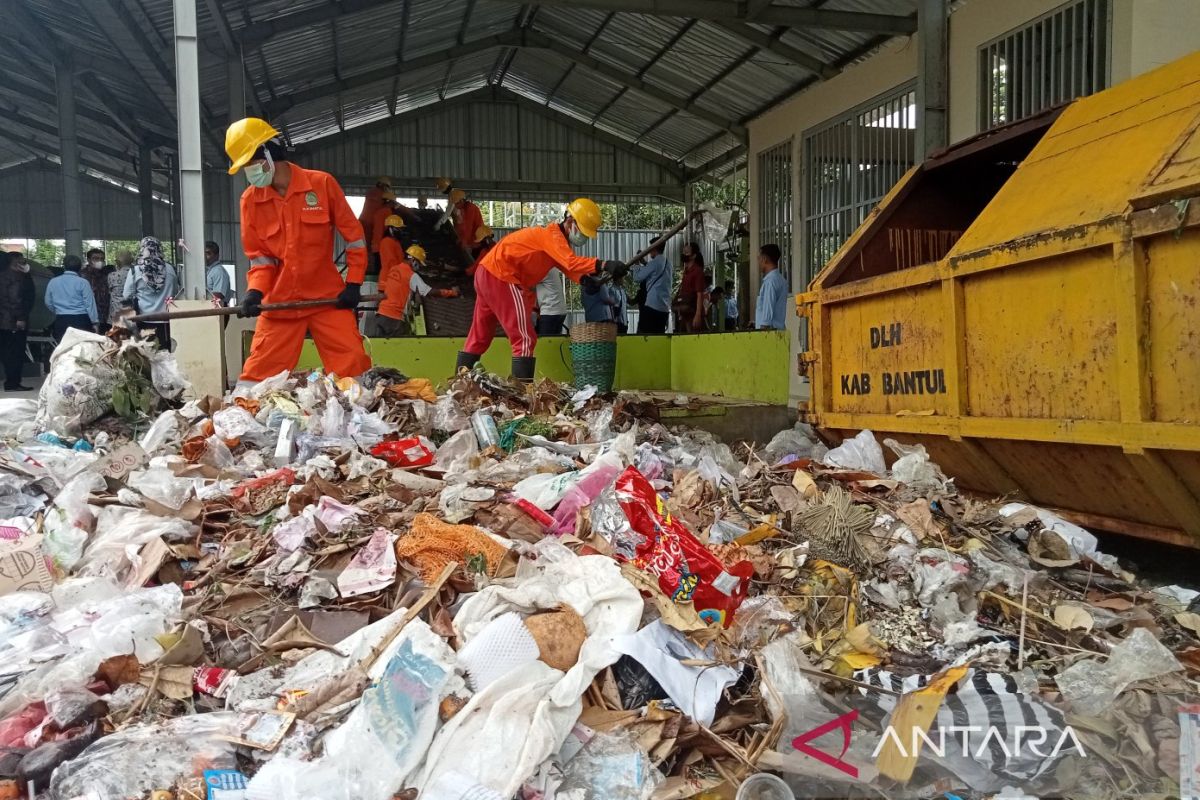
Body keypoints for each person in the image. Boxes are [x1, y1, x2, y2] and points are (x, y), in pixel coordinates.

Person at [225, 117, 371, 384]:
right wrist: (254, 292)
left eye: (250, 162)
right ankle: (240, 421)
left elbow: (355, 239)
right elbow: (259, 257)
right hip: (280, 302)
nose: (249, 171)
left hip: (326, 299)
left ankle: (359, 422)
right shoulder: (250, 201)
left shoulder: (322, 185)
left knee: (353, 370)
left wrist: (354, 284)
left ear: (269, 153)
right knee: (256, 379)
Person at [456, 198, 625, 381]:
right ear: (569, 221)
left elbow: (566, 266)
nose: (583, 237)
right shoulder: (552, 236)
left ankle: (459, 384)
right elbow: (569, 261)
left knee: (479, 335)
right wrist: (605, 264)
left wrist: (584, 279)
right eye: (582, 231)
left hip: (486, 274)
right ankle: (521, 393)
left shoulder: (554, 241)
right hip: (502, 276)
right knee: (525, 338)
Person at [375, 238, 458, 337]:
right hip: (394, 318)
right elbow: (428, 292)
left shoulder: (394, 269)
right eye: (418, 263)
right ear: (413, 259)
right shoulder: (411, 275)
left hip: (381, 314)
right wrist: (452, 292)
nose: (419, 267)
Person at [122, 237, 180, 349]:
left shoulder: (135, 270)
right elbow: (176, 293)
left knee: (146, 354)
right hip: (166, 320)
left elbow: (126, 295)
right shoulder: (170, 269)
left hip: (143, 320)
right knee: (165, 354)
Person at [0, 252, 34, 391]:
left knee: (8, 352)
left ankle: (12, 382)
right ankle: (13, 383)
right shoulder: (14, 278)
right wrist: (20, 318)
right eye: (22, 261)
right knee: (15, 353)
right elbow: (15, 300)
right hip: (13, 321)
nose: (25, 263)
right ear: (15, 263)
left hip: (5, 321)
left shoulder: (3, 276)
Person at [45, 255, 99, 342]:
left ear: (64, 266)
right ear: (80, 267)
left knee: (64, 349)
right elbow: (89, 304)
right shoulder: (83, 282)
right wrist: (94, 322)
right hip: (81, 320)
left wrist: (58, 310)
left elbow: (48, 302)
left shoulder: (53, 281)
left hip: (61, 320)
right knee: (81, 349)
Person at [632, 240, 671, 334]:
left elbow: (637, 278)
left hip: (652, 306)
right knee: (659, 335)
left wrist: (636, 263)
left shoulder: (654, 263)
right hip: (664, 308)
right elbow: (654, 273)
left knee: (646, 334)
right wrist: (644, 263)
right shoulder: (668, 263)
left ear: (654, 248)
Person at [358, 175, 392, 267]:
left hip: (362, 223)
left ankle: (363, 269)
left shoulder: (371, 192)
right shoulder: (383, 206)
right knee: (369, 251)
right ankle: (369, 269)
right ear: (384, 186)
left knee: (363, 249)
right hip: (370, 225)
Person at [673, 242, 706, 333]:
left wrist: (698, 314)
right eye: (683, 252)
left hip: (693, 312)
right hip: (685, 313)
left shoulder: (697, 271)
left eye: (686, 252)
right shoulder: (686, 271)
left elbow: (700, 294)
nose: (683, 254)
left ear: (693, 256)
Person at [755, 243, 789, 331]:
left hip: (769, 333)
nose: (758, 262)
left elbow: (767, 312)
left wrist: (762, 329)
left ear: (764, 259)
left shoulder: (770, 282)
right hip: (778, 330)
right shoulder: (781, 280)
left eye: (759, 258)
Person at [449, 189, 484, 254]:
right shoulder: (463, 209)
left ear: (462, 200)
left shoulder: (470, 208)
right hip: (471, 241)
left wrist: (464, 243)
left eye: (456, 203)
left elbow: (468, 227)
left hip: (476, 242)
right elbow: (461, 225)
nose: (455, 205)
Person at [533, 269, 568, 336]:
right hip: (558, 310)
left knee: (545, 340)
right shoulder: (552, 268)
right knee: (555, 339)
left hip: (550, 310)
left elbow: (526, 281)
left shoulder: (544, 269)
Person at [81, 247, 110, 324]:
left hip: (104, 316)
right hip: (87, 316)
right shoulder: (82, 275)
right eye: (96, 258)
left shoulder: (105, 275)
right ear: (88, 260)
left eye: (102, 259)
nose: (99, 261)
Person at [370, 190, 399, 267]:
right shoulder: (387, 212)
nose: (393, 205)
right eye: (393, 203)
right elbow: (388, 229)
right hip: (382, 246)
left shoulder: (378, 212)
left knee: (378, 268)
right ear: (390, 202)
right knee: (384, 267)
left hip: (376, 246)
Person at [107, 249, 133, 324]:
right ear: (131, 260)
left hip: (116, 313)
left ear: (117, 262)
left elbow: (110, 291)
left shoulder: (112, 275)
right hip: (131, 313)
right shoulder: (136, 274)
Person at [204, 241, 232, 305]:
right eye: (203, 253)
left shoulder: (219, 271)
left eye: (208, 253)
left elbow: (219, 294)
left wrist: (201, 297)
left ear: (217, 256)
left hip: (219, 310)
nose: (204, 256)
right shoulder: (209, 270)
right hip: (210, 308)